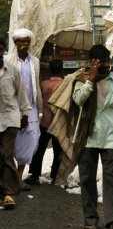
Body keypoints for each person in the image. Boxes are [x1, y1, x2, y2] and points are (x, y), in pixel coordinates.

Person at [72, 45, 113, 229]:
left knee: (112, 178)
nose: (106, 65)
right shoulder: (81, 80)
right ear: (92, 62)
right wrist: (91, 79)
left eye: (108, 61)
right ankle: (90, 219)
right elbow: (78, 100)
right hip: (88, 137)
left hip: (111, 136)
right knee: (87, 179)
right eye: (102, 62)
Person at [5, 29, 42, 190]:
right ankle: (13, 180)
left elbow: (36, 84)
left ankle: (18, 176)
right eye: (21, 41)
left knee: (32, 140)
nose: (25, 44)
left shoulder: (35, 61)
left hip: (32, 107)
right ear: (15, 42)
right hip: (12, 106)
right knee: (11, 143)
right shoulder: (7, 61)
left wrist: (39, 106)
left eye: (27, 41)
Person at [0, 38, 30, 205]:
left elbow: (21, 93)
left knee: (7, 154)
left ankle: (8, 193)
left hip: (10, 118)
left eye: (0, 49)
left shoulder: (11, 70)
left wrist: (25, 114)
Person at [25, 60, 64, 186]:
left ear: (49, 70)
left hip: (45, 122)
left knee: (39, 149)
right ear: (61, 69)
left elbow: (38, 101)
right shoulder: (65, 85)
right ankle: (55, 176)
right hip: (59, 123)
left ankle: (35, 175)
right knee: (58, 151)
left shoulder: (44, 84)